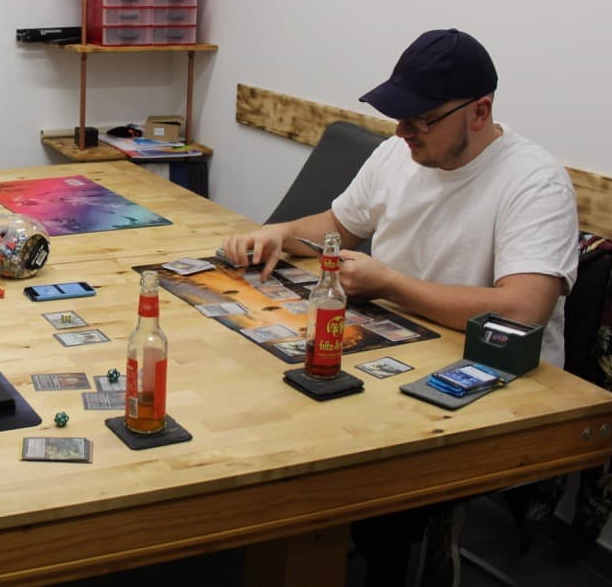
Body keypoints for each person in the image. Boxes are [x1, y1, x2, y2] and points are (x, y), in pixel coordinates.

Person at [222, 28, 578, 587]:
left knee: (363, 477)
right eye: (399, 117)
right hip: (398, 342)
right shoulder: (399, 153)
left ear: (479, 111)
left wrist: (391, 283)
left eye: (421, 120)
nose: (402, 132)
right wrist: (282, 233)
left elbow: (522, 310)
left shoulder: (534, 182)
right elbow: (339, 225)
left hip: (491, 378)